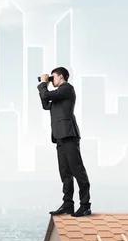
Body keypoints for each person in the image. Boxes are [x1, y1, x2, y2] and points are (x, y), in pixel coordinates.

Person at [38, 67, 91, 217]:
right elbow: (45, 104)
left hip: (69, 134)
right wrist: (44, 86)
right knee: (65, 172)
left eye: (52, 77)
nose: (51, 80)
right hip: (59, 136)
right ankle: (68, 204)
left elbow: (46, 94)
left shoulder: (67, 89)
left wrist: (43, 84)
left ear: (61, 77)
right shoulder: (57, 96)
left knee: (77, 170)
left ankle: (85, 205)